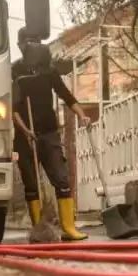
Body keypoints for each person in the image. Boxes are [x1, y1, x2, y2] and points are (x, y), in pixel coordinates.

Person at [11, 28, 89, 242]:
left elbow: (65, 94)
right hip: (25, 136)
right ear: (20, 45)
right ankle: (38, 230)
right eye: (26, 42)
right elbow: (13, 108)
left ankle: (69, 227)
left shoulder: (49, 70)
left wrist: (81, 115)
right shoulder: (16, 72)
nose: (30, 45)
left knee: (61, 178)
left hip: (48, 132)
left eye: (34, 41)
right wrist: (25, 131)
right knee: (31, 183)